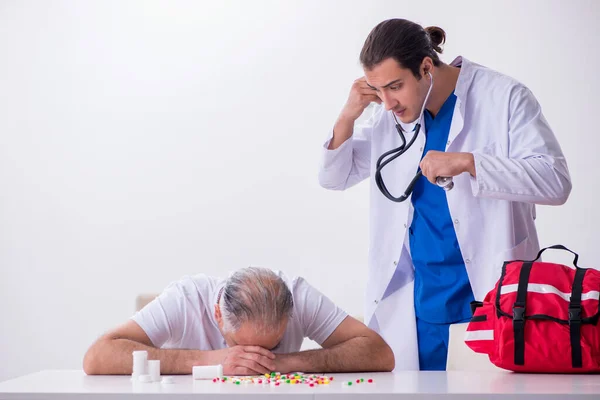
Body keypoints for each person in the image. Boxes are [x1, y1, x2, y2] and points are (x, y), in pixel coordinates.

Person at [318, 18, 571, 371]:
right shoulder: (390, 118)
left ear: (425, 67)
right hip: (421, 306)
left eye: (395, 86)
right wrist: (348, 114)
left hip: (490, 297)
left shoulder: (504, 97)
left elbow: (556, 180)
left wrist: (470, 162)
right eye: (378, 90)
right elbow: (334, 176)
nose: (387, 103)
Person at [83, 267, 394, 375]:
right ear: (218, 314)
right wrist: (213, 360)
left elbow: (379, 353)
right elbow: (98, 356)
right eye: (241, 348)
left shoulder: (299, 295)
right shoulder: (186, 298)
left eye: (269, 348)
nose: (253, 361)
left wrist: (286, 362)